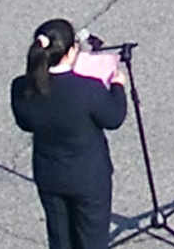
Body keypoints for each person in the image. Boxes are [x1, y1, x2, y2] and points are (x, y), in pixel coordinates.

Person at [11, 21, 128, 249]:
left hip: (49, 174)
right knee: (91, 238)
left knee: (60, 239)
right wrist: (117, 87)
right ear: (71, 51)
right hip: (88, 178)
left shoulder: (20, 87)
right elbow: (114, 118)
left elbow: (25, 123)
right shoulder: (88, 89)